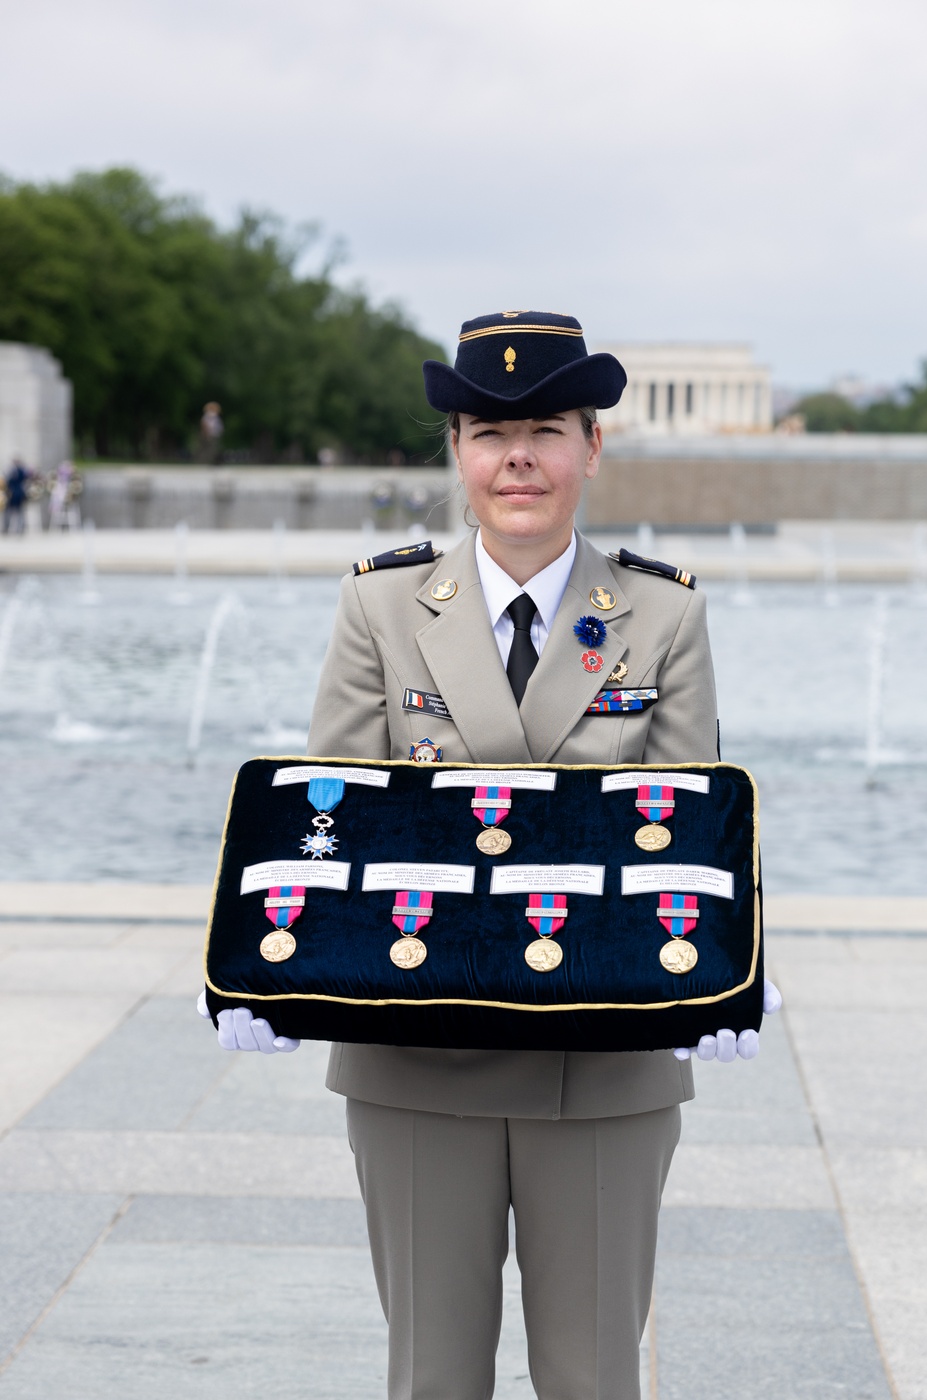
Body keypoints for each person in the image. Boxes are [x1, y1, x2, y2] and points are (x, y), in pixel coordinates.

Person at [199, 310, 780, 1400]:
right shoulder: (380, 602)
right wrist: (263, 954)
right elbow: (338, 815)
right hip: (415, 1057)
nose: (518, 456)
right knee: (431, 1379)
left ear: (591, 445)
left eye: (548, 428)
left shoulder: (658, 614)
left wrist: (728, 969)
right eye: (489, 430)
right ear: (457, 451)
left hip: (602, 1057)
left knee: (594, 1377)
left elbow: (687, 820)